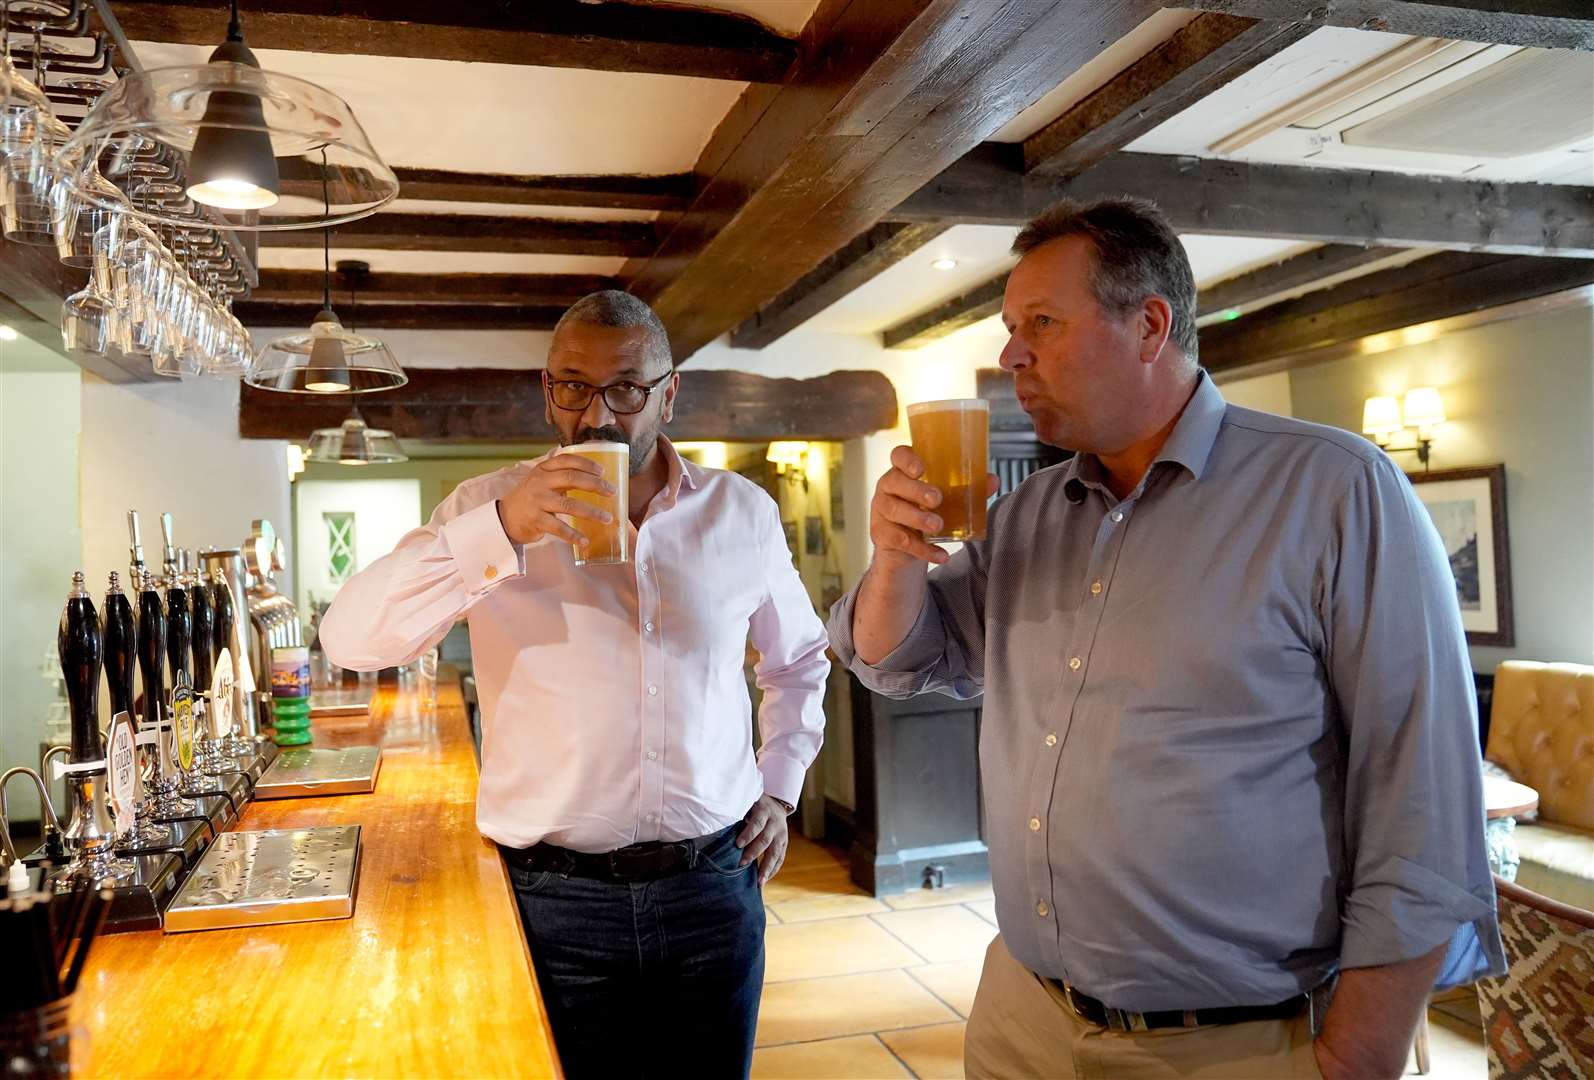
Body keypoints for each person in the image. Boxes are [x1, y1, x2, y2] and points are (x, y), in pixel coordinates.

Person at [826, 198, 1503, 1079]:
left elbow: (1424, 795)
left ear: (1149, 325)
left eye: (1042, 323)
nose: (1011, 355)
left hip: (1239, 1041)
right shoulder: (1026, 515)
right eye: (1009, 327)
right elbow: (890, 661)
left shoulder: (1334, 491)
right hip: (1024, 1019)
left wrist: (1359, 1057)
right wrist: (894, 556)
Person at [321, 290, 830, 1079]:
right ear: (547, 390)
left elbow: (797, 661)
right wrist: (502, 531)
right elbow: (350, 641)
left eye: (626, 387)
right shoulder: (483, 507)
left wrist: (781, 788)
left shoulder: (741, 513)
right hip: (552, 900)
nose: (597, 415)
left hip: (712, 889)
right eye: (573, 385)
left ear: (669, 392)